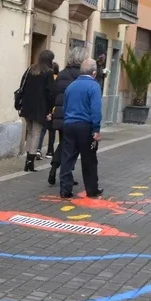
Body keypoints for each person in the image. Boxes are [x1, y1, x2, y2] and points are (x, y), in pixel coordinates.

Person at [58, 59, 103, 199]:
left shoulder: (71, 86)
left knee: (67, 157)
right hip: (85, 126)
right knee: (89, 158)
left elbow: (65, 107)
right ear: (94, 73)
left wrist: (67, 120)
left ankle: (65, 189)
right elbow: (95, 109)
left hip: (69, 125)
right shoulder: (94, 86)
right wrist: (96, 129)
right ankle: (92, 189)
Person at [48, 48, 86, 186]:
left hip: (59, 114)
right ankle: (64, 173)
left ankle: (55, 168)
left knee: (64, 142)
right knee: (72, 147)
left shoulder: (62, 73)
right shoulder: (82, 76)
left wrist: (51, 111)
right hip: (73, 115)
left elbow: (54, 93)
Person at [18, 50, 56, 172]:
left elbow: (22, 86)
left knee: (30, 132)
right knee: (36, 133)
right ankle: (30, 162)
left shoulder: (30, 69)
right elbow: (51, 93)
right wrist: (49, 110)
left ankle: (27, 160)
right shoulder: (48, 72)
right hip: (40, 107)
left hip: (27, 106)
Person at [36, 62, 59, 159]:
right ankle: (50, 151)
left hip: (45, 108)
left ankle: (38, 149)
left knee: (42, 129)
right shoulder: (58, 79)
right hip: (54, 109)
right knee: (52, 131)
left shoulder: (45, 78)